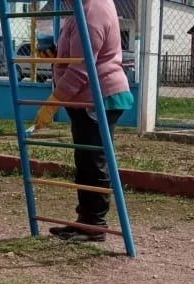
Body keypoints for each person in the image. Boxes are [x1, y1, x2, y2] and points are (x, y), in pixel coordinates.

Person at [32, 0, 133, 242]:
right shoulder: (80, 7)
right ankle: (85, 220)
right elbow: (75, 56)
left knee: (94, 161)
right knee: (85, 160)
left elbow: (82, 69)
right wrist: (56, 56)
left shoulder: (92, 10)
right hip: (85, 98)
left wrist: (52, 103)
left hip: (99, 97)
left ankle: (95, 224)